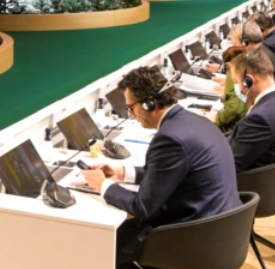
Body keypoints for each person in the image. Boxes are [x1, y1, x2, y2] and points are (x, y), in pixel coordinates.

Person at [81, 66, 241, 269]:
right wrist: (122, 172)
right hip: (223, 230)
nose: (132, 115)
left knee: (102, 245)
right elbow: (168, 173)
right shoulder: (195, 121)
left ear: (149, 103)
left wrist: (103, 185)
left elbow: (142, 207)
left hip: (195, 238)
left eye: (131, 108)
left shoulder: (170, 138)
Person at [226, 49, 275, 172]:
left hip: (250, 179)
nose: (237, 88)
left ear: (248, 80)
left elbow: (230, 165)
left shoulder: (258, 118)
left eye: (236, 82)